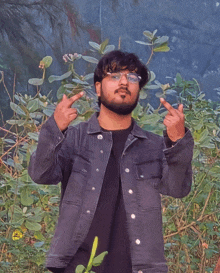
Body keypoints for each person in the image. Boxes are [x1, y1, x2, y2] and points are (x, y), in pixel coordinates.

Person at [28, 50, 194, 273]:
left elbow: (178, 188)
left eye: (133, 78)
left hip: (139, 267)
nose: (124, 82)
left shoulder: (153, 146)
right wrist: (55, 129)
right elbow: (40, 174)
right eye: (114, 75)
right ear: (98, 87)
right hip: (76, 266)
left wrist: (178, 141)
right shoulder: (75, 139)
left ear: (139, 90)